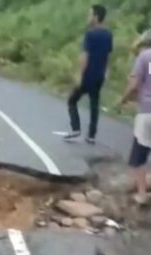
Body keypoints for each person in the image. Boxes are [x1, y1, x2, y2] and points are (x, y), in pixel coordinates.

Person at [64, 4, 113, 144]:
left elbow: (85, 56)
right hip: (99, 75)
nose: (88, 17)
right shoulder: (108, 34)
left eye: (90, 14)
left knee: (72, 100)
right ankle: (91, 135)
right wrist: (106, 72)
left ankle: (76, 129)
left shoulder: (90, 34)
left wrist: (80, 75)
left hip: (88, 74)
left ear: (96, 17)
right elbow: (108, 56)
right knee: (94, 104)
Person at [116, 29, 151, 205]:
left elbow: (134, 85)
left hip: (148, 111)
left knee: (139, 155)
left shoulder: (145, 57)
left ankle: (142, 194)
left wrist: (122, 101)